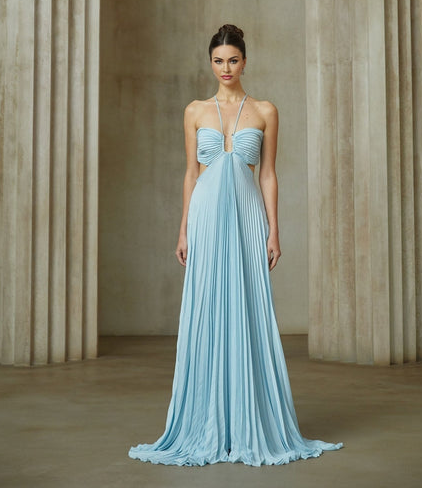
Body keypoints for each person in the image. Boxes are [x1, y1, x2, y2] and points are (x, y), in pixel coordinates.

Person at [128, 24, 343, 466]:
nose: (225, 68)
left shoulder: (265, 111)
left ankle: (249, 422)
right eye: (218, 60)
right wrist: (184, 229)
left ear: (245, 61)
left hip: (246, 218)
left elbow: (267, 175)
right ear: (211, 63)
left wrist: (274, 230)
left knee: (245, 308)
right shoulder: (194, 111)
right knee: (207, 307)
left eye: (233, 60)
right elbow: (192, 174)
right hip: (206, 218)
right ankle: (205, 421)